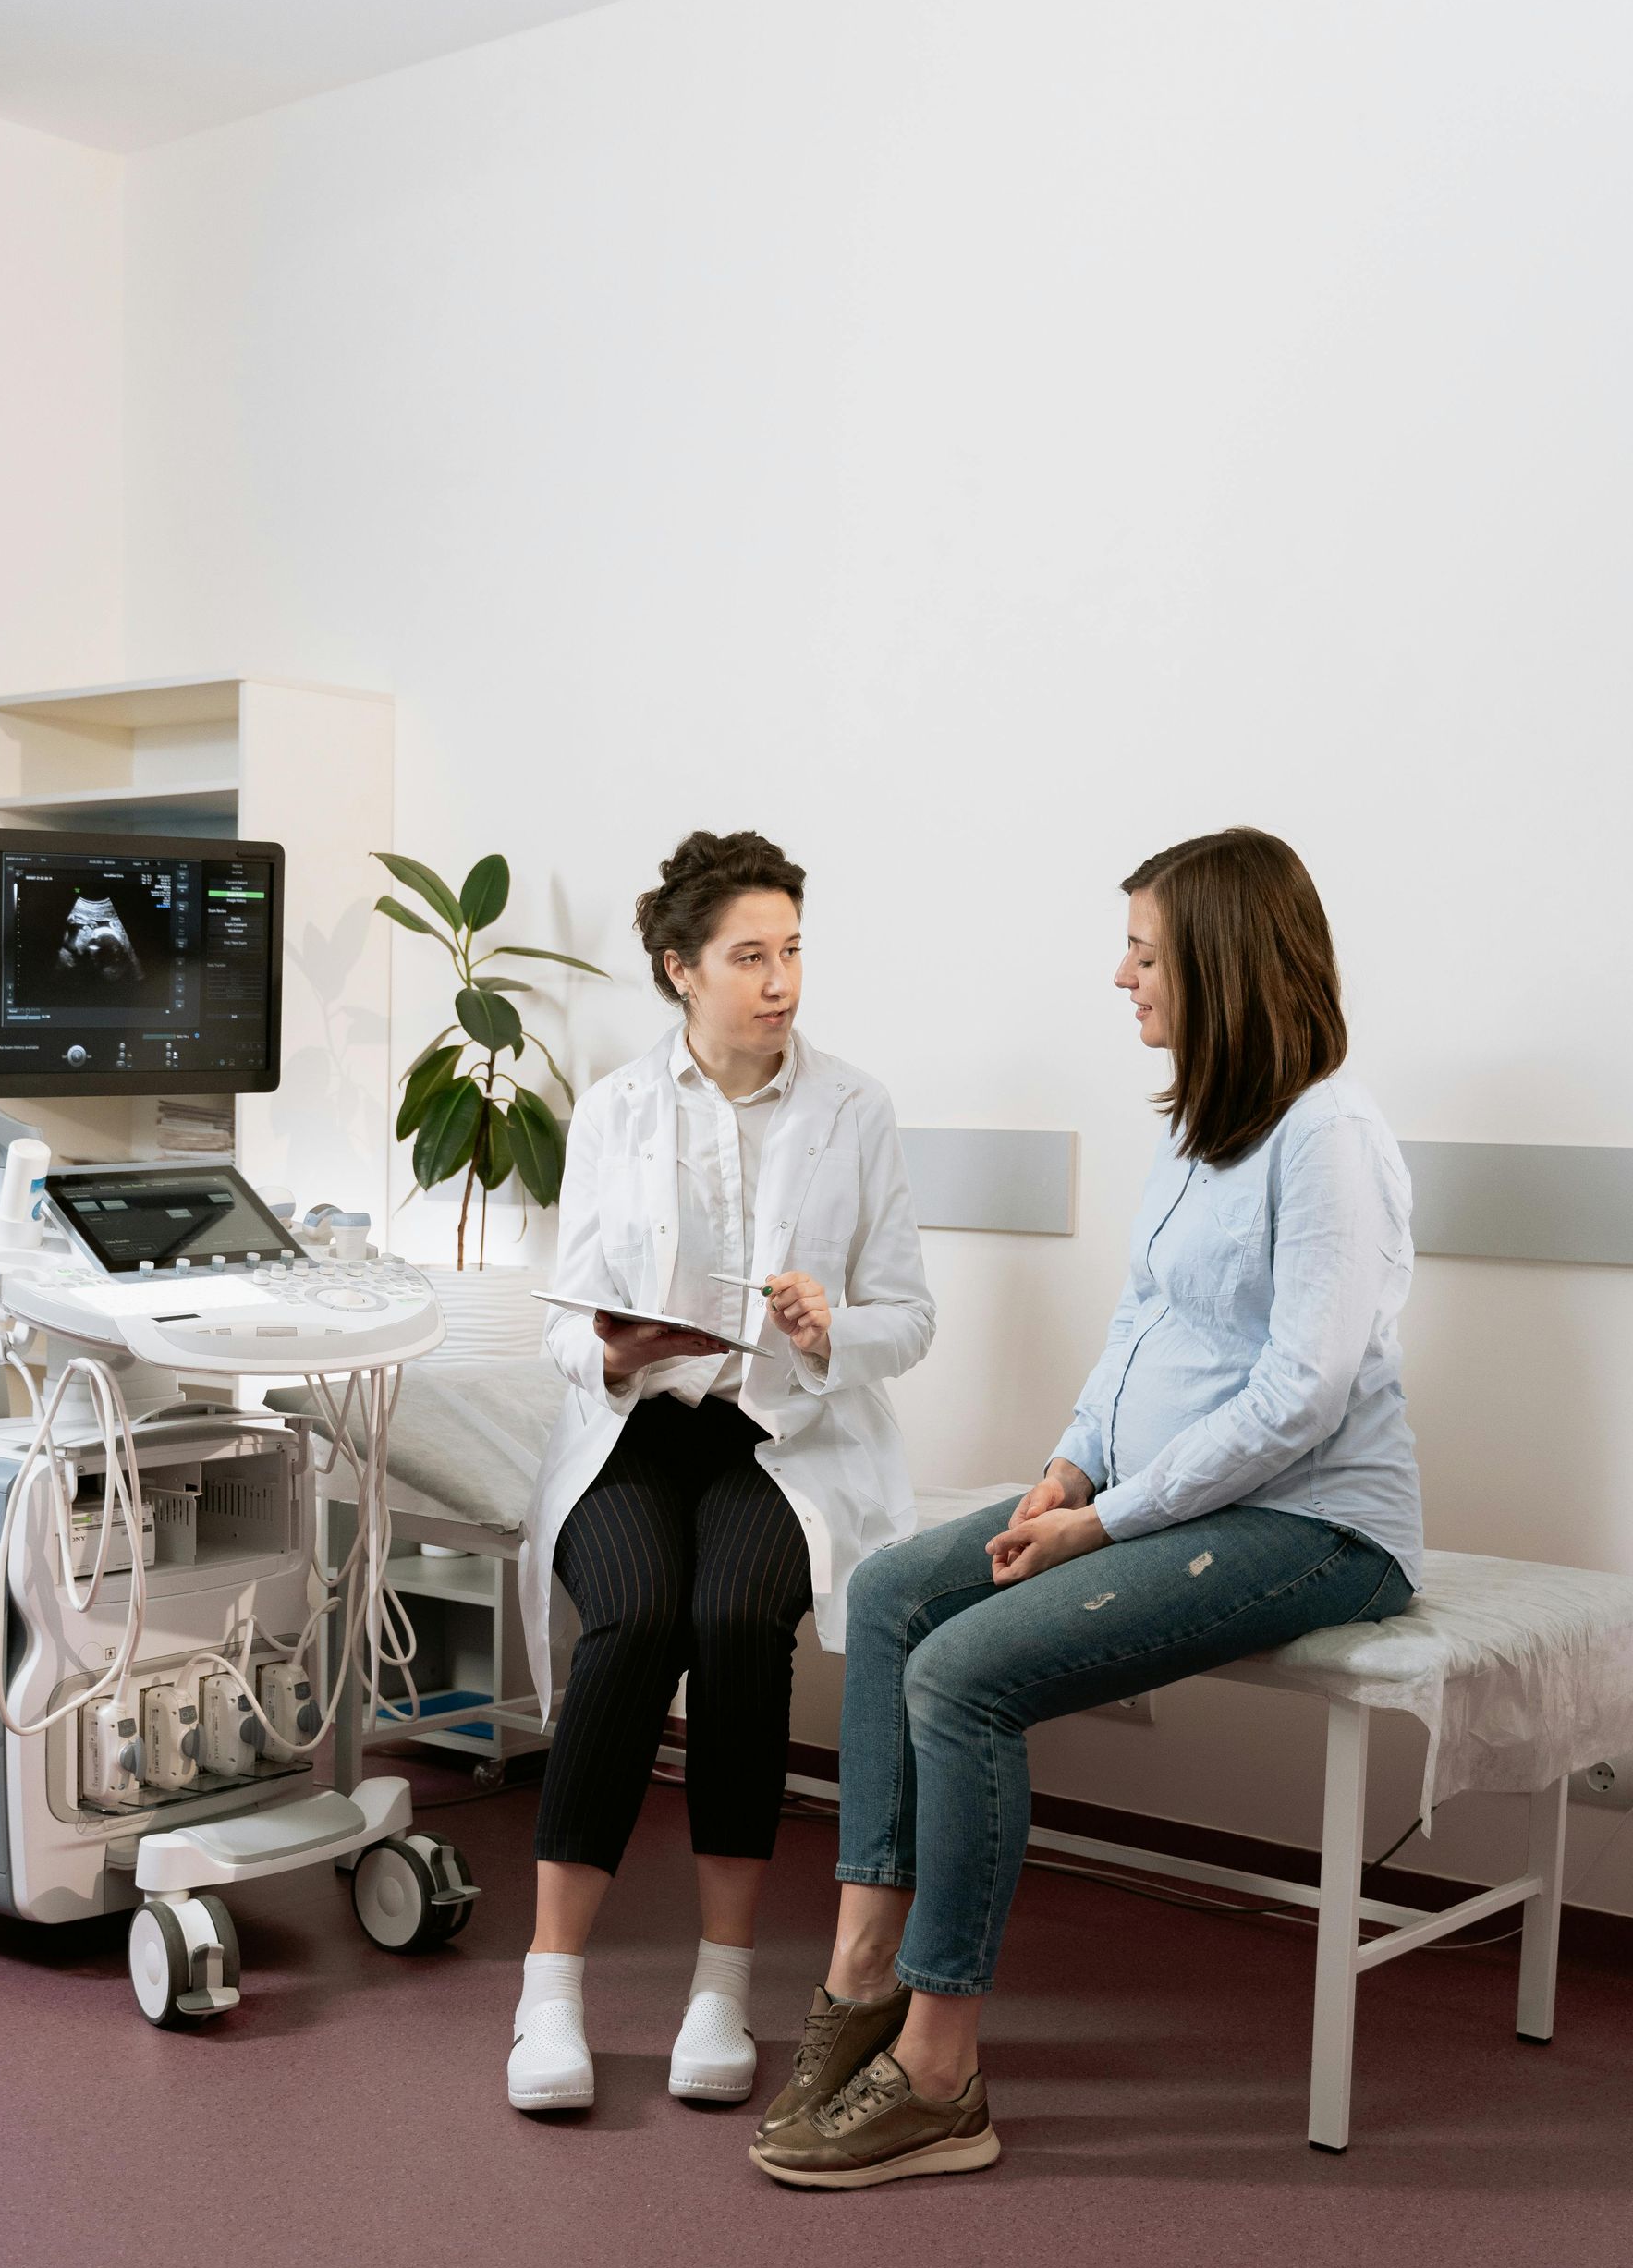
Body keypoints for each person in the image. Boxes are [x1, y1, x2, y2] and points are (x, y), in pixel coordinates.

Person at [750, 827, 1423, 2189]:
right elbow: (1140, 1331)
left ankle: (941, 2074)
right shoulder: (1199, 1129)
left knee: (962, 1675)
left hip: (1318, 1527)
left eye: (1145, 951)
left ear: (1223, 965)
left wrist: (1107, 1524)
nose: (1121, 976)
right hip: (1161, 1497)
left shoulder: (1329, 1136)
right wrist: (1068, 1464)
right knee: (890, 1594)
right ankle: (862, 1977)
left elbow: (1300, 1398)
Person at [511, 829, 935, 2114]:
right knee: (635, 1620)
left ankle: (721, 1983)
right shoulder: (618, 1109)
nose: (781, 980)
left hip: (782, 1436)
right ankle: (550, 1988)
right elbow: (555, 1319)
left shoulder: (855, 1110)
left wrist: (829, 1328)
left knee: (738, 1621)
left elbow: (908, 1318)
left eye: (792, 950)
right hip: (639, 1425)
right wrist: (609, 1343)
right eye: (750, 955)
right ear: (678, 968)